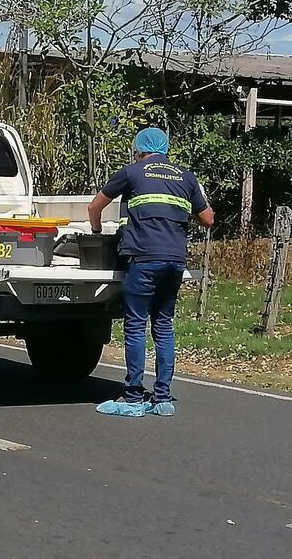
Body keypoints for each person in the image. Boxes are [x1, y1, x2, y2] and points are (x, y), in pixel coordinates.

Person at [88, 127, 214, 418]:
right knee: (164, 325)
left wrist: (96, 233)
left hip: (143, 258)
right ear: (165, 149)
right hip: (175, 261)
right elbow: (208, 219)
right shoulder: (186, 177)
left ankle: (133, 396)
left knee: (135, 325)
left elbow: (94, 207)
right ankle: (163, 398)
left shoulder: (132, 173)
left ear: (139, 150)